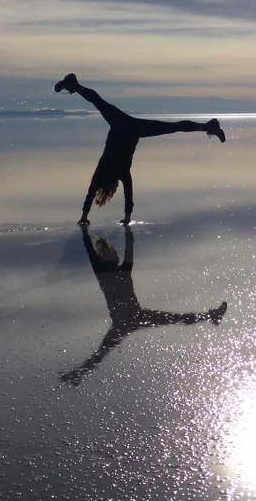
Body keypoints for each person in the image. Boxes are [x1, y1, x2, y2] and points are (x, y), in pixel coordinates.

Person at [60, 226, 227, 386]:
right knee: (176, 318)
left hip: (123, 322)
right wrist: (126, 229)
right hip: (134, 317)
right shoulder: (121, 268)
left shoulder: (102, 271)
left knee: (101, 353)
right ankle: (210, 316)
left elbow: (93, 251)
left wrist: (85, 232)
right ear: (112, 256)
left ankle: (79, 374)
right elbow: (126, 247)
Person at [54, 72, 226, 225]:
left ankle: (74, 85)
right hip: (127, 125)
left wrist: (125, 218)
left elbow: (127, 195)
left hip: (127, 127)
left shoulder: (118, 173)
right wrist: (85, 215)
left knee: (173, 126)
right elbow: (95, 192)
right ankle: (209, 127)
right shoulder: (107, 172)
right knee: (100, 103)